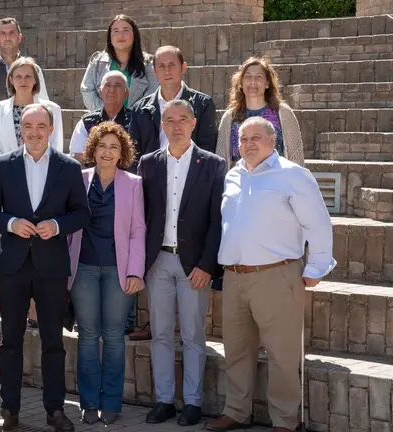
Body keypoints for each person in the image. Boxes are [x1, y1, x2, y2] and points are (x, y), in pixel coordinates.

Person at [206, 117, 336, 432]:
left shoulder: (293, 175)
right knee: (236, 350)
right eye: (243, 139)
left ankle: (285, 421)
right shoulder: (233, 175)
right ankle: (236, 411)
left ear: (272, 140)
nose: (248, 144)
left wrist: (317, 267)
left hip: (277, 275)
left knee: (282, 353)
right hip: (235, 277)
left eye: (256, 138)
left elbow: (318, 223)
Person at [0, 104, 90, 432]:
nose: (34, 132)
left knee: (53, 342)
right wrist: (11, 223)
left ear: (51, 128)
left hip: (52, 266)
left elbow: (82, 213)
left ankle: (55, 410)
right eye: (28, 127)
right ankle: (9, 409)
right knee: (10, 341)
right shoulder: (3, 165)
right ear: (21, 131)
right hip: (14, 265)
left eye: (41, 126)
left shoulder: (68, 167)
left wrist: (57, 226)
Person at [137, 99, 225, 427]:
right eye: (170, 120)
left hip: (194, 266)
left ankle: (193, 402)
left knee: (192, 335)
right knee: (159, 333)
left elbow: (218, 222)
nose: (176, 125)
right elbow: (141, 216)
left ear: (193, 123)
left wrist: (207, 265)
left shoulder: (213, 164)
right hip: (158, 261)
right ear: (162, 125)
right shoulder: (148, 163)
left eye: (182, 119)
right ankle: (164, 400)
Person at [66, 121, 146, 425]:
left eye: (114, 146)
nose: (108, 152)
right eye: (102, 146)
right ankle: (88, 403)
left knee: (114, 336)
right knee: (87, 336)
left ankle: (111, 402)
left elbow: (138, 230)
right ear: (92, 149)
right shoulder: (79, 179)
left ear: (122, 151)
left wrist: (136, 271)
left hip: (119, 270)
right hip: (83, 268)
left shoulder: (134, 183)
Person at [0, 17, 49, 187]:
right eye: (3, 34)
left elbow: (44, 107)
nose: (7, 37)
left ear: (19, 37)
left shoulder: (33, 69)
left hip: (31, 147)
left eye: (12, 33)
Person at [216, 56, 304, 168]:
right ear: (241, 83)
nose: (253, 82)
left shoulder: (283, 113)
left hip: (277, 182)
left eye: (258, 77)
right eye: (248, 77)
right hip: (241, 182)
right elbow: (221, 159)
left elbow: (296, 158)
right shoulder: (229, 117)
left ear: (267, 83)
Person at [130, 45, 218, 156]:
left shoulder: (203, 104)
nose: (167, 71)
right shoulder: (140, 109)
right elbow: (133, 154)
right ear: (154, 71)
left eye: (172, 65)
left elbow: (207, 150)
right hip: (151, 171)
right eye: (161, 66)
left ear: (183, 67)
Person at [0, 56, 62, 170]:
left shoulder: (53, 109)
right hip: (7, 177)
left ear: (35, 80)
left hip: (43, 173)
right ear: (11, 80)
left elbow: (56, 147)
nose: (23, 81)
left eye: (28, 76)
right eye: (18, 77)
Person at [80, 14, 158, 111]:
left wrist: (131, 117)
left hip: (138, 122)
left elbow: (153, 92)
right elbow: (87, 90)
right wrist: (108, 113)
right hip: (103, 122)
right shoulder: (97, 62)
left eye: (126, 30)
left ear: (134, 34)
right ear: (110, 37)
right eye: (116, 31)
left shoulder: (148, 63)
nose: (121, 35)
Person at [69, 71, 132, 163]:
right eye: (108, 85)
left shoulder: (136, 120)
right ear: (100, 92)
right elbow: (79, 159)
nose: (112, 90)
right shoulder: (86, 123)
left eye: (117, 85)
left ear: (126, 92)